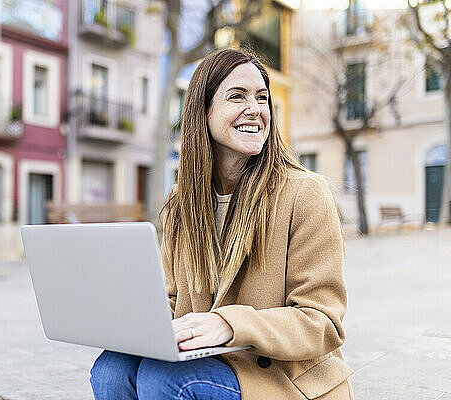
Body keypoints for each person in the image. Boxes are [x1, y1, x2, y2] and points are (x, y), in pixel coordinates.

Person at [89, 48, 354, 399]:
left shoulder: (304, 193)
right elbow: (175, 301)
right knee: (110, 369)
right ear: (204, 111)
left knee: (163, 379)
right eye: (237, 96)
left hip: (281, 380)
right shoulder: (179, 205)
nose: (256, 109)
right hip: (210, 361)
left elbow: (322, 322)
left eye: (262, 98)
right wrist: (130, 321)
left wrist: (228, 324)